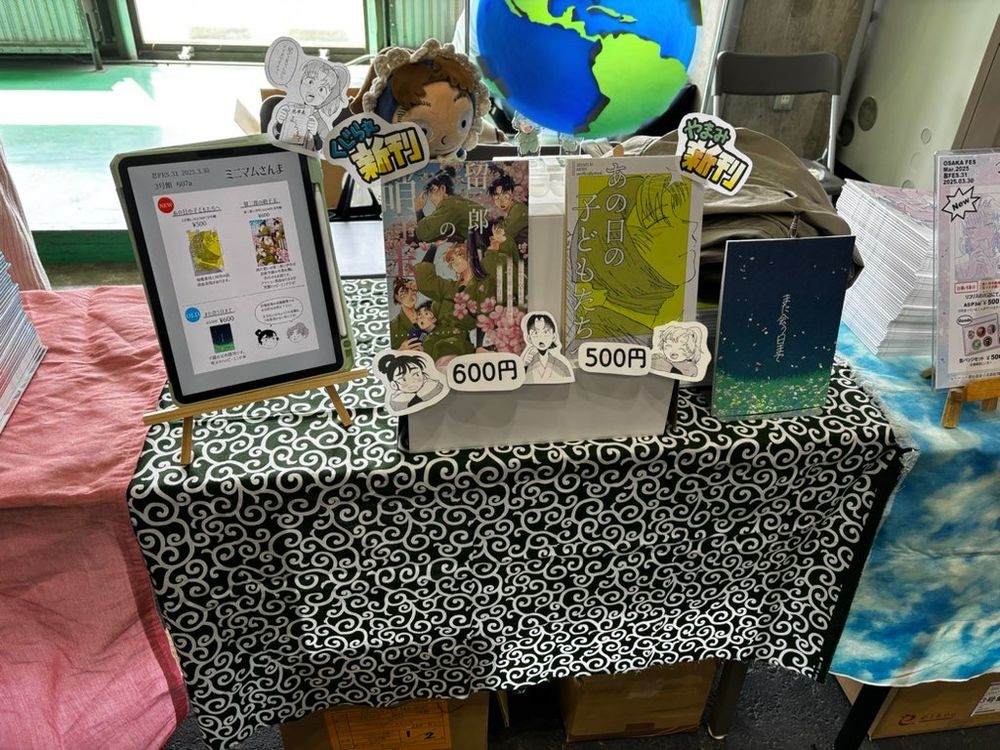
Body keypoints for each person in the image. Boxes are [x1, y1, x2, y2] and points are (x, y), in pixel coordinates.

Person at [271, 58, 350, 151]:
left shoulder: (320, 123)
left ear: (328, 96)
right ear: (301, 81)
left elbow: (324, 148)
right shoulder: (289, 109)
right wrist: (279, 122)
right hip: (285, 155)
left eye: (321, 89)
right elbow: (275, 137)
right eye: (310, 82)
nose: (313, 89)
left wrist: (315, 133)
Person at [414, 166, 482, 243]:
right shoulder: (458, 202)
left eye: (433, 190)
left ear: (443, 188)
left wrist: (418, 210)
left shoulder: (450, 206)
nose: (431, 198)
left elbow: (424, 234)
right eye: (430, 193)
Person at [378, 352, 446, 413]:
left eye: (416, 374)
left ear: (423, 374)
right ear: (394, 385)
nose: (412, 381)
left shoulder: (434, 386)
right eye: (403, 379)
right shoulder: (397, 401)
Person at [522, 313, 573, 384]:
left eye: (546, 332)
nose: (541, 337)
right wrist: (524, 365)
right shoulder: (528, 364)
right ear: (529, 338)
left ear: (554, 336)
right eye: (535, 333)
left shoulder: (561, 366)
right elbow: (519, 380)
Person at [389, 277, 425, 351]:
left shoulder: (428, 315)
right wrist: (400, 351)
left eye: (412, 290)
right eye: (403, 292)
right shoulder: (393, 326)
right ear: (397, 297)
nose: (409, 294)